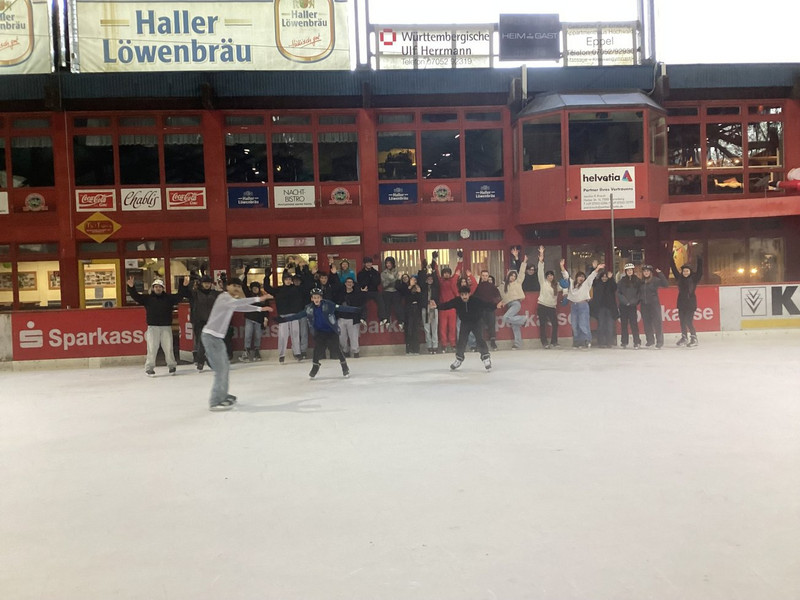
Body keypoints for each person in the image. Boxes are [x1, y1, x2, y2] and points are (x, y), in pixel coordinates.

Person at [201, 278, 272, 411]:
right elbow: (240, 302)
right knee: (220, 370)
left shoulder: (230, 301)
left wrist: (260, 308)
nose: (236, 288)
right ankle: (215, 401)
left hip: (217, 338)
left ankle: (223, 395)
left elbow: (241, 306)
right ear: (227, 287)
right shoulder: (224, 297)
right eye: (233, 285)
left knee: (225, 368)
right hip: (211, 337)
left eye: (238, 286)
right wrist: (259, 299)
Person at [127, 276, 182, 376]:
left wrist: (184, 286)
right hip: (152, 327)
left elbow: (179, 297)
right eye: (156, 287)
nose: (158, 288)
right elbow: (136, 297)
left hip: (166, 327)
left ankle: (172, 366)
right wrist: (131, 287)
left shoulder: (168, 299)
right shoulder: (148, 299)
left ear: (163, 288)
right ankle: (149, 368)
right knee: (152, 348)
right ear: (153, 288)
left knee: (168, 347)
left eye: (160, 287)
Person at [433, 285, 493, 371]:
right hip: (465, 323)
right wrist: (437, 306)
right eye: (462, 295)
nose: (464, 296)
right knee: (461, 340)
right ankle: (459, 358)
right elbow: (447, 305)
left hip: (476, 322)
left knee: (480, 339)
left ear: (469, 294)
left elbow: (486, 304)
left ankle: (486, 358)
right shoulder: (457, 301)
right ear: (460, 295)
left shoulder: (475, 300)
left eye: (466, 294)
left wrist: (495, 305)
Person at [303, 288, 350, 379]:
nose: (316, 299)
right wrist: (284, 320)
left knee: (336, 349)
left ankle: (344, 366)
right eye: (314, 297)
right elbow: (299, 315)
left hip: (331, 331)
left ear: (321, 298)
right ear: (312, 299)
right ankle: (315, 367)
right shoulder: (309, 308)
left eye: (318, 297)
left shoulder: (328, 304)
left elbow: (341, 308)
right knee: (317, 350)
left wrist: (356, 310)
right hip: (320, 332)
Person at [178, 273, 220, 371]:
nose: (207, 285)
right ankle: (201, 360)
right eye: (205, 283)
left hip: (211, 321)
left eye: (208, 283)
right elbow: (184, 293)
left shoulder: (214, 294)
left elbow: (226, 295)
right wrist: (184, 285)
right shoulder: (195, 293)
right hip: (199, 321)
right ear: (201, 283)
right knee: (201, 342)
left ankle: (206, 360)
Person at [263, 269, 305, 363]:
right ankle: (281, 355)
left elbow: (306, 286)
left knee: (295, 334)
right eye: (286, 279)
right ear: (283, 280)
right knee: (283, 335)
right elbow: (267, 288)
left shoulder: (296, 289)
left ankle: (297, 353)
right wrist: (267, 277)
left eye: (290, 279)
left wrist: (301, 272)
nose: (288, 281)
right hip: (283, 315)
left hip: (294, 315)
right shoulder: (279, 290)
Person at [561, 258, 604, 349]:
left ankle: (587, 340)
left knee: (583, 324)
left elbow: (592, 276)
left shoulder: (586, 284)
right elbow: (566, 276)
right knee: (574, 325)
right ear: (576, 277)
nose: (581, 278)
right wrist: (562, 266)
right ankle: (577, 342)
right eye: (580, 276)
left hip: (583, 305)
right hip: (574, 306)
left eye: (583, 277)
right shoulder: (571, 283)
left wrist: (597, 269)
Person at [670, 254, 704, 347]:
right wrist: (671, 258)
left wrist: (699, 260)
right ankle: (684, 337)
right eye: (684, 271)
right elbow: (673, 268)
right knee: (682, 321)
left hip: (691, 303)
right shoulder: (679, 278)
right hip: (681, 303)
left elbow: (700, 272)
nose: (685, 272)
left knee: (688, 321)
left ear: (690, 271)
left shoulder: (694, 279)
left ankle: (694, 338)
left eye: (687, 271)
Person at [434, 250, 464, 352]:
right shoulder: (440, 281)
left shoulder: (453, 280)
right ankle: (444, 344)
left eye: (448, 273)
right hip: (443, 307)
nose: (446, 275)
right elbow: (436, 272)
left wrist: (460, 259)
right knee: (442, 327)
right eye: (445, 273)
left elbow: (458, 270)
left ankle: (453, 343)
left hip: (452, 308)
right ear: (443, 274)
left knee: (452, 327)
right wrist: (434, 260)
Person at [498, 255, 529, 350]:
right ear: (508, 276)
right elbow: (504, 296)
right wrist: (501, 302)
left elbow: (522, 273)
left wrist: (524, 262)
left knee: (505, 318)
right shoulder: (504, 286)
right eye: (511, 275)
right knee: (515, 326)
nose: (513, 277)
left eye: (514, 276)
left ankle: (524, 319)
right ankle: (517, 344)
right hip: (509, 304)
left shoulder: (518, 282)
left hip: (516, 304)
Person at [240, 273, 269, 362]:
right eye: (253, 288)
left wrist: (265, 318)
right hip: (249, 318)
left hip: (259, 320)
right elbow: (244, 286)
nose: (255, 289)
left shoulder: (263, 298)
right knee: (248, 335)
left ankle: (257, 351)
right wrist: (245, 274)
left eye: (256, 288)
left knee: (257, 336)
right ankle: (246, 351)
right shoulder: (249, 296)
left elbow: (266, 308)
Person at [334, 277, 366, 358]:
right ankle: (345, 351)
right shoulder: (340, 294)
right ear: (345, 284)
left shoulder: (357, 294)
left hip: (353, 319)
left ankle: (355, 352)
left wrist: (362, 317)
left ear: (353, 284)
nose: (349, 283)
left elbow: (362, 306)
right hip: (341, 318)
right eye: (348, 282)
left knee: (354, 337)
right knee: (342, 338)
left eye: (351, 282)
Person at [536, 246, 561, 349]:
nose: (550, 277)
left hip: (552, 307)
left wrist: (566, 293)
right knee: (543, 325)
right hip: (542, 305)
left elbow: (564, 289)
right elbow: (540, 271)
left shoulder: (556, 285)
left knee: (555, 324)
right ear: (546, 277)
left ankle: (554, 341)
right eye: (549, 275)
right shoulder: (543, 282)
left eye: (552, 275)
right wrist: (541, 258)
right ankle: (544, 342)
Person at [640, 264, 668, 348]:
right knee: (647, 323)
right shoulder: (641, 281)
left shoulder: (655, 280)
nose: (646, 273)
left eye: (648, 271)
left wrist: (660, 274)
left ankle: (659, 341)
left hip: (654, 304)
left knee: (657, 323)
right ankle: (650, 340)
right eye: (644, 271)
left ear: (650, 272)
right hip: (644, 305)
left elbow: (665, 285)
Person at [473, 269, 502, 351]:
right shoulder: (478, 287)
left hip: (490, 308)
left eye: (486, 276)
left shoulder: (492, 286)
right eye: (483, 275)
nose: (485, 277)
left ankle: (493, 342)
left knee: (491, 325)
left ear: (488, 276)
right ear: (481, 276)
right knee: (480, 326)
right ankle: (480, 344)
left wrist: (495, 303)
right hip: (481, 309)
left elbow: (498, 296)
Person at [616, 263, 642, 349]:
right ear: (625, 271)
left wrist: (633, 302)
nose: (629, 272)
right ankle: (624, 342)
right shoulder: (622, 281)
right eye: (628, 270)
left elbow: (639, 293)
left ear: (633, 271)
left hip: (632, 306)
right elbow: (618, 293)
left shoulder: (637, 281)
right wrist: (625, 301)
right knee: (624, 324)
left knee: (634, 324)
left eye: (631, 270)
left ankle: (637, 341)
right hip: (623, 306)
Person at [592, 268, 618, 348]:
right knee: (601, 325)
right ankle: (601, 342)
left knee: (610, 326)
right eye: (603, 277)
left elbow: (614, 287)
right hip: (600, 308)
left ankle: (609, 342)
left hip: (610, 308)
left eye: (606, 277)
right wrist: (594, 269)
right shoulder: (598, 284)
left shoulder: (610, 284)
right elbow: (593, 282)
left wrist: (611, 279)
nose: (604, 278)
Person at [418, 261, 440, 354]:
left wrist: (433, 268)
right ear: (426, 280)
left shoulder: (436, 287)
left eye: (431, 279)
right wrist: (424, 269)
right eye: (428, 279)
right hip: (426, 308)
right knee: (427, 328)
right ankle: (429, 346)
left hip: (433, 308)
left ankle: (435, 346)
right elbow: (421, 278)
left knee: (434, 328)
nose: (430, 280)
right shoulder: (423, 288)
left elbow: (436, 279)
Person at [398, 273, 422, 354]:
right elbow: (406, 296)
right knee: (409, 329)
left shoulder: (418, 288)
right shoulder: (407, 288)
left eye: (415, 280)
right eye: (412, 280)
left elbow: (420, 300)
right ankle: (409, 349)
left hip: (416, 309)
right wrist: (410, 286)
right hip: (408, 309)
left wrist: (419, 292)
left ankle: (416, 349)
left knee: (416, 329)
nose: (413, 281)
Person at [357, 256, 384, 325]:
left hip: (374, 291)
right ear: (364, 264)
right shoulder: (361, 273)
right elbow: (361, 282)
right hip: (365, 291)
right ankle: (363, 318)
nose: (369, 264)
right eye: (367, 263)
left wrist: (370, 279)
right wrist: (369, 278)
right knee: (361, 299)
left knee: (380, 299)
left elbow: (377, 282)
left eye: (370, 263)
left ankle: (382, 318)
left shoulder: (376, 272)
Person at [380, 256, 404, 329]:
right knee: (387, 307)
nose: (388, 264)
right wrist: (393, 279)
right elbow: (384, 285)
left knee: (398, 307)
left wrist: (390, 281)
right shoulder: (383, 273)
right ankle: (387, 321)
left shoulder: (397, 271)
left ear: (392, 263)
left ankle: (401, 322)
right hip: (387, 292)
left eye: (389, 263)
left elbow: (398, 282)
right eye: (387, 263)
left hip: (395, 291)